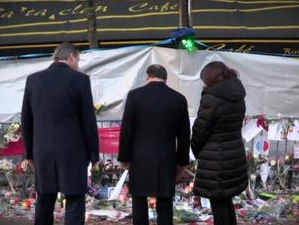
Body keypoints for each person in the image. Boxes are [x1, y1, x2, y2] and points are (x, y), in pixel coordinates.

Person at [21, 42, 99, 225]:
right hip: (73, 150)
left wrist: (29, 153)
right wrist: (93, 153)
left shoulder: (33, 80)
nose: (78, 65)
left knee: (45, 199)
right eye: (77, 60)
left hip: (43, 150)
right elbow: (88, 120)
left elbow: (27, 119)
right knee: (74, 200)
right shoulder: (80, 80)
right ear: (71, 57)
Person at [118, 64, 190, 225]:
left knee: (139, 199)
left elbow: (127, 129)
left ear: (148, 76)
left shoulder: (135, 96)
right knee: (165, 201)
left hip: (140, 157)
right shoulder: (178, 99)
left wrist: (124, 157)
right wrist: (182, 162)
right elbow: (184, 135)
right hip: (166, 157)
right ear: (165, 78)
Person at [191, 61, 248, 225]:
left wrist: (195, 149)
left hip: (216, 158)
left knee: (218, 203)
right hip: (234, 153)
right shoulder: (238, 95)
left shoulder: (212, 97)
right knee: (226, 200)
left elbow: (201, 129)